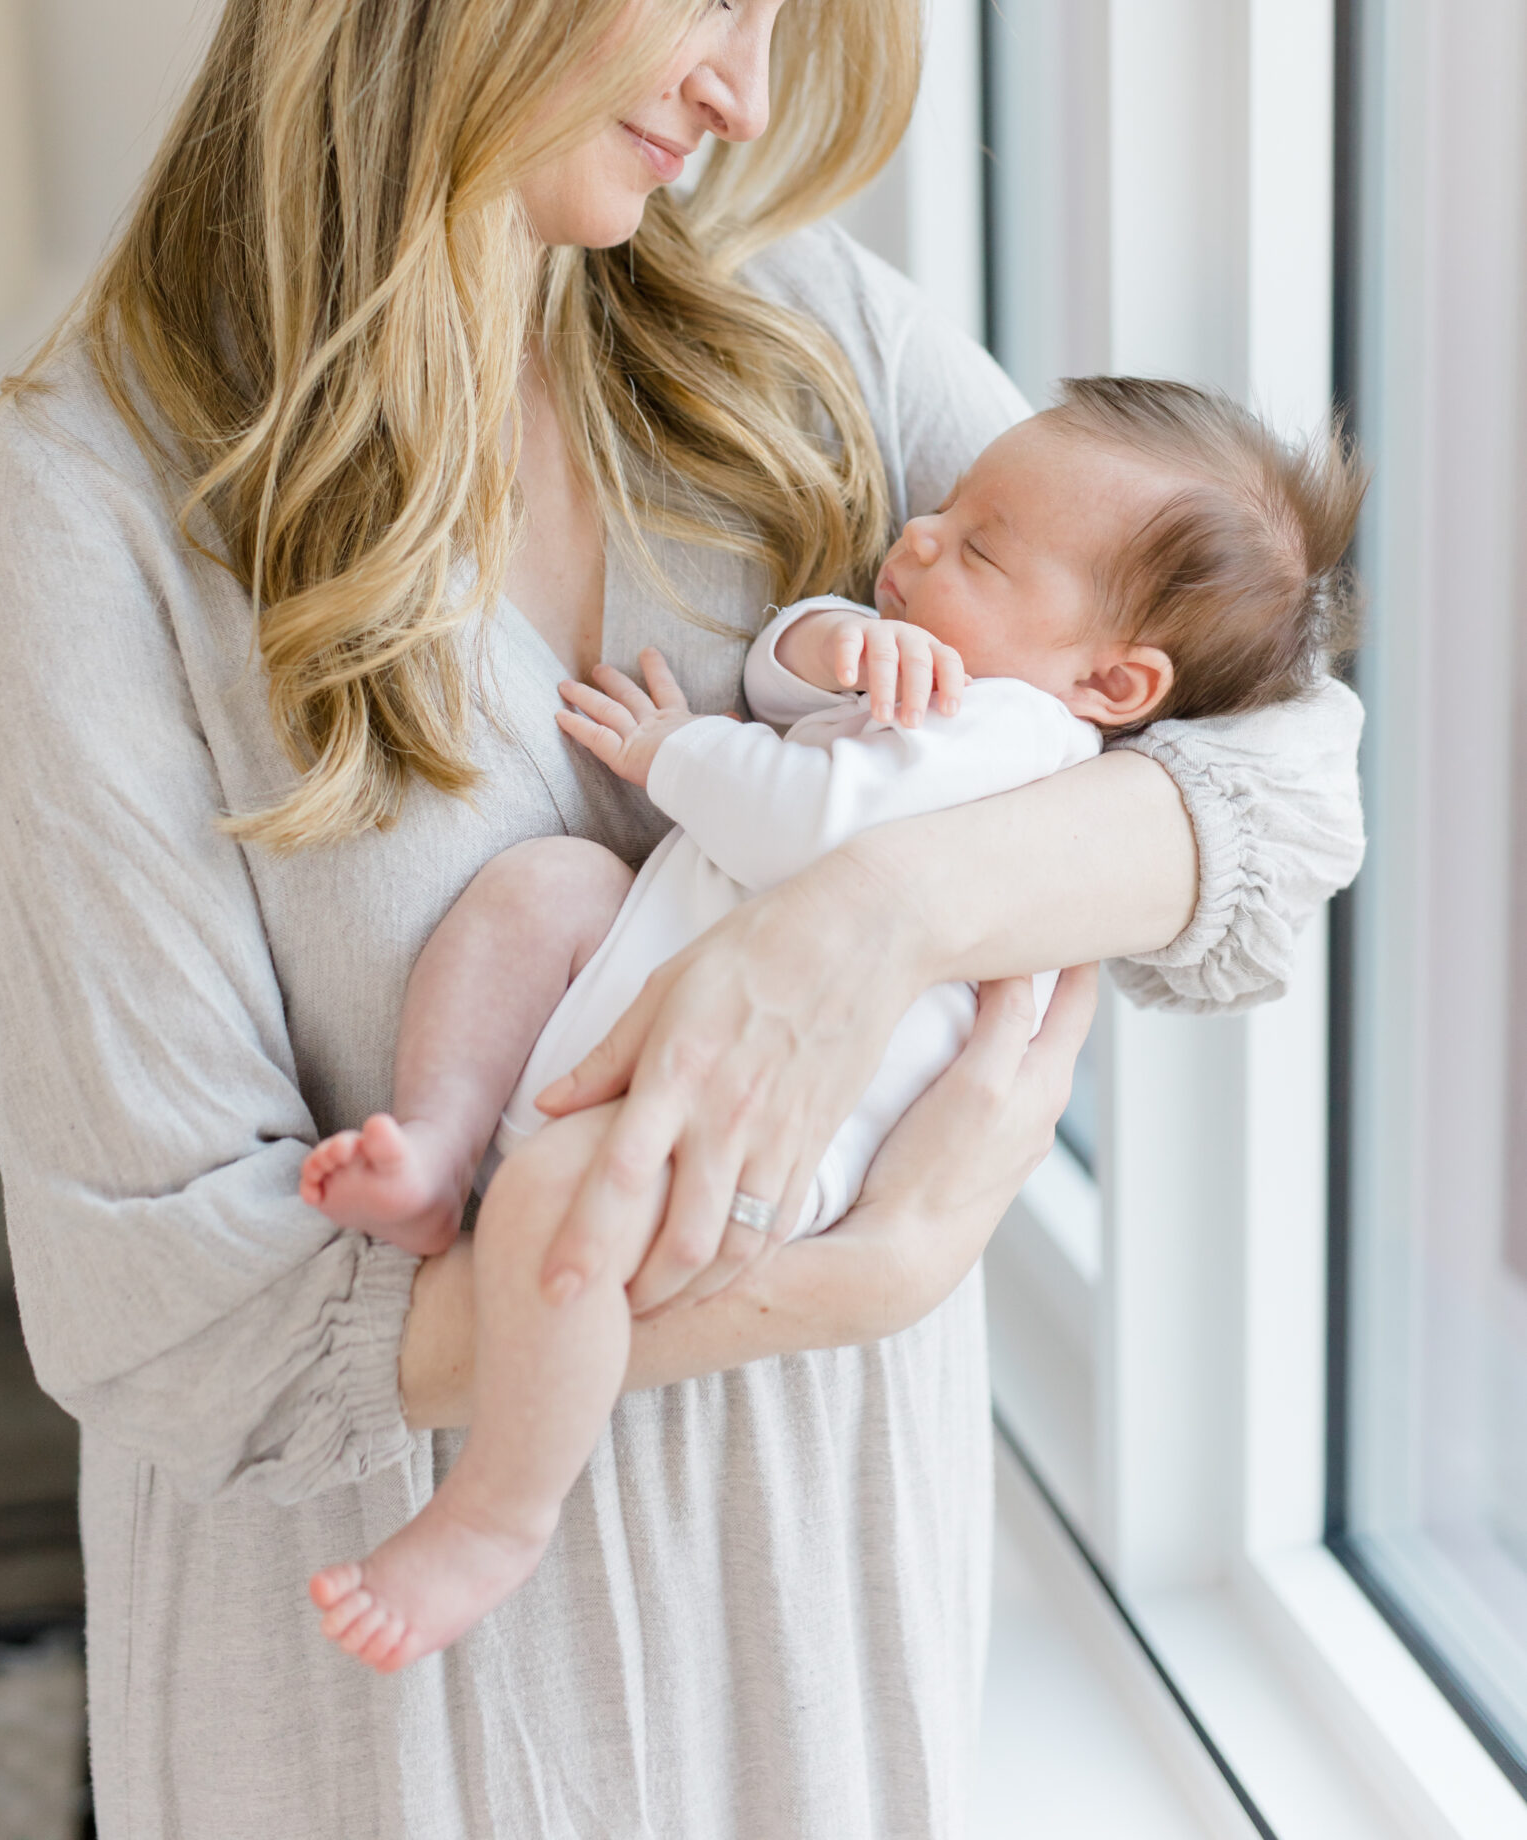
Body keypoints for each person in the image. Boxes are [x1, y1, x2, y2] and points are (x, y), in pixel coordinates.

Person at [0, 0, 1365, 1838]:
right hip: (401, 1703)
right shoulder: (93, 498)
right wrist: (854, 1266)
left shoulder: (806, 345)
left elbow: (1283, 788)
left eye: (780, 4)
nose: (740, 82)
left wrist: (874, 916)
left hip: (820, 1619)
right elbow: (159, 1318)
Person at [300, 380, 1366, 1673]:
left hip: (765, 1140)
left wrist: (673, 751)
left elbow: (811, 820)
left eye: (978, 549)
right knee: (539, 894)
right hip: (651, 974)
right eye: (941, 511)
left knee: (553, 1211)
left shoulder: (1019, 736)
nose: (917, 541)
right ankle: (432, 1144)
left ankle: (495, 1513)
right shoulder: (954, 678)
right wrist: (822, 649)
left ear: (1112, 679)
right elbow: (786, 687)